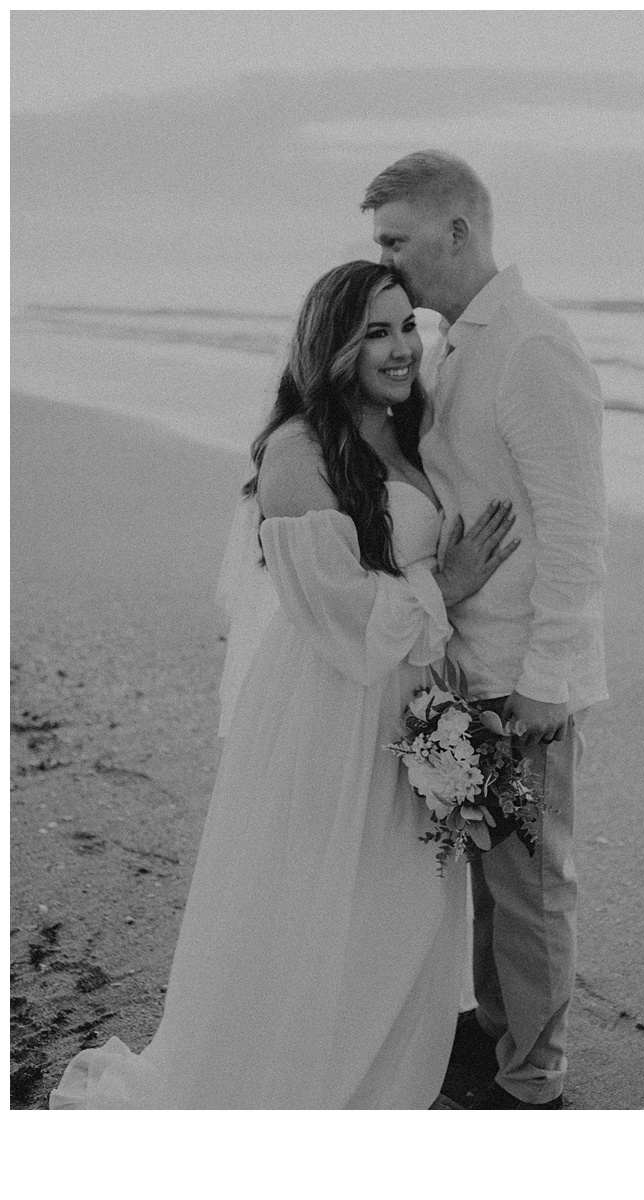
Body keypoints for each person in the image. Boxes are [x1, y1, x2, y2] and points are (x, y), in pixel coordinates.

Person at [48, 260, 519, 1110]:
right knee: (318, 904)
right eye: (375, 331)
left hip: (411, 703)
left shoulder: (406, 433)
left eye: (407, 324)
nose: (401, 346)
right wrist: (445, 589)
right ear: (331, 346)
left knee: (398, 911)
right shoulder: (298, 451)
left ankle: (369, 1087)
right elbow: (333, 611)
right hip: (332, 712)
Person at [362, 152, 608, 1109]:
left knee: (534, 884)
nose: (385, 258)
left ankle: (532, 1080)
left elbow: (578, 530)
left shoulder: (533, 347)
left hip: (524, 670)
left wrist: (550, 676)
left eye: (397, 240)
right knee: (484, 869)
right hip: (469, 660)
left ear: (457, 230)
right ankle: (496, 1034)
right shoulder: (454, 341)